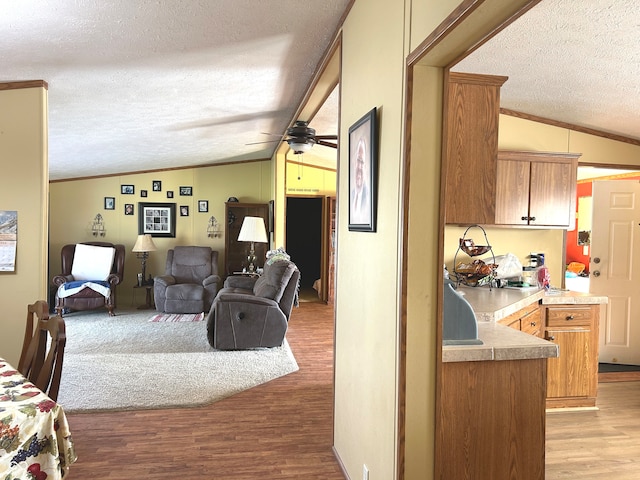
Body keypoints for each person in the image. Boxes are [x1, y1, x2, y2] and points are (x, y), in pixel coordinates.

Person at [350, 137, 370, 224]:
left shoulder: (368, 196)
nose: (359, 166)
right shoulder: (352, 194)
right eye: (358, 160)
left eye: (362, 162)